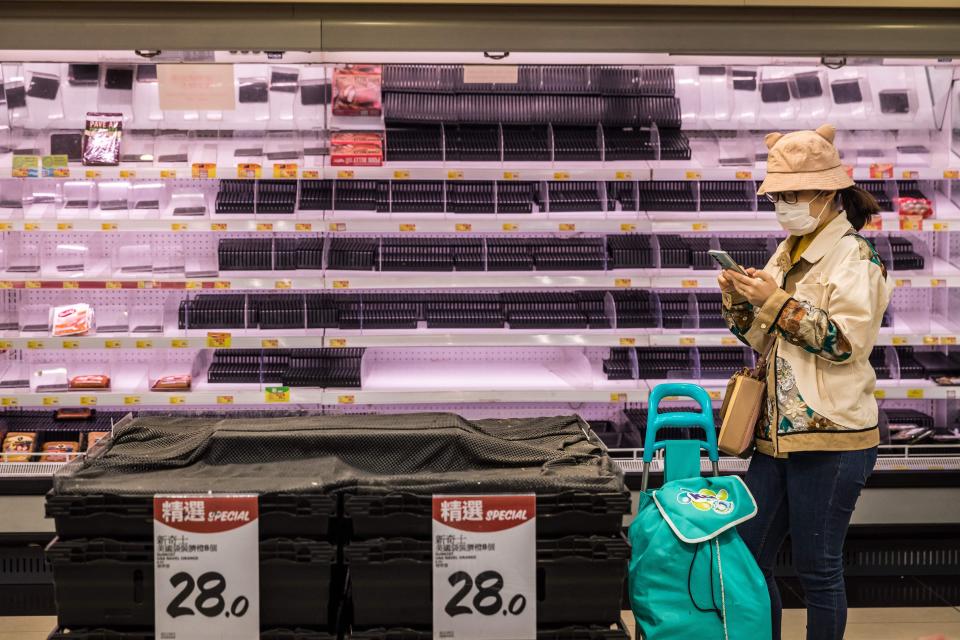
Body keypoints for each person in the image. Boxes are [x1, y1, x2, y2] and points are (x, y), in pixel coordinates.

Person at [718, 124, 892, 640]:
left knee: (819, 568)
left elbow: (842, 342)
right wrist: (738, 297)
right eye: (778, 196)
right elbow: (764, 339)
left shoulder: (856, 258)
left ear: (827, 193)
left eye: (793, 195)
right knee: (750, 557)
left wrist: (772, 299)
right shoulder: (788, 249)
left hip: (834, 437)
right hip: (776, 438)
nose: (783, 205)